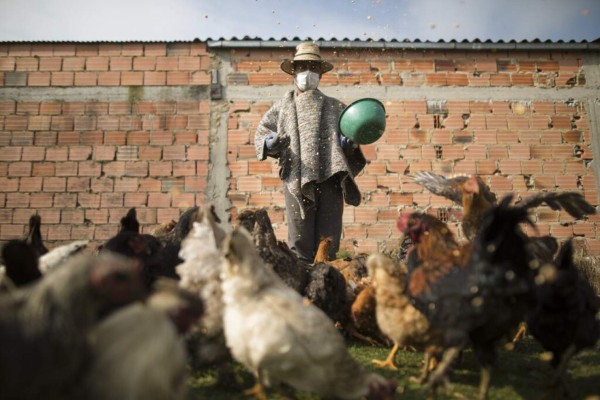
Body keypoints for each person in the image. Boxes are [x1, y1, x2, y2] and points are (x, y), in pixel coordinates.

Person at [254, 42, 366, 263]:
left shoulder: (336, 107)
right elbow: (261, 132)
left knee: (328, 241)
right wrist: (270, 143)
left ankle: (327, 285)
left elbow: (352, 140)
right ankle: (301, 288)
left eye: (313, 68)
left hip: (331, 178)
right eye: (303, 67)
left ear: (321, 74)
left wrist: (348, 144)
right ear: (294, 72)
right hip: (297, 176)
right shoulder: (283, 106)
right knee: (300, 241)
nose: (308, 73)